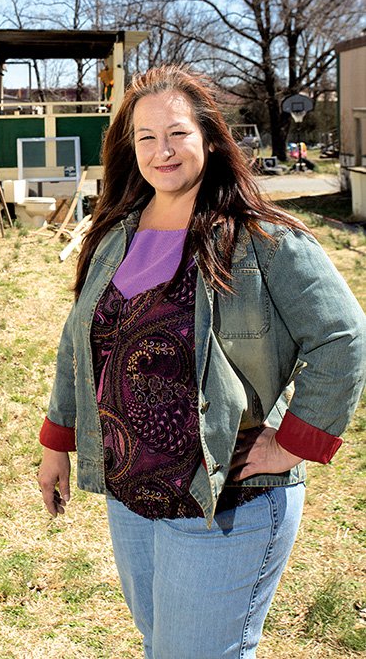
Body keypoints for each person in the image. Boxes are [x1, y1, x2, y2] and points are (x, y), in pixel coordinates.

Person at [38, 65, 365, 659]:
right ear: (128, 146)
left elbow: (342, 336)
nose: (162, 151)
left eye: (177, 133)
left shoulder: (263, 239)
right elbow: (77, 343)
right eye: (145, 137)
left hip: (224, 501)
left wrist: (295, 440)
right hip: (132, 493)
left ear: (211, 138)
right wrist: (57, 441)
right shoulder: (117, 234)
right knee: (162, 644)